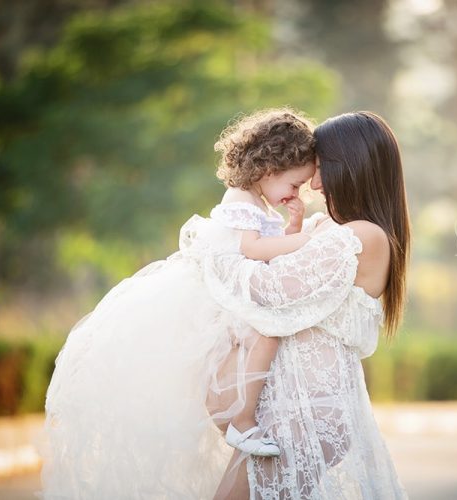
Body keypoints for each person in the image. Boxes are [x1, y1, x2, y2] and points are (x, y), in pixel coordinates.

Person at [37, 108, 323, 499]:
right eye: (295, 184)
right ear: (270, 167)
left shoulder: (263, 205)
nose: (297, 194)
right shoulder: (241, 197)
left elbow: (268, 249)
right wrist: (306, 240)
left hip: (234, 291)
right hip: (218, 295)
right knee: (268, 334)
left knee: (263, 340)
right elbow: (253, 249)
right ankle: (242, 419)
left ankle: (238, 416)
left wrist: (292, 226)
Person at [208, 111, 411, 499]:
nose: (315, 184)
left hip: (305, 413)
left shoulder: (361, 235)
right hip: (291, 409)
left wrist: (212, 252)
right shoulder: (334, 228)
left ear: (351, 168)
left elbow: (269, 288)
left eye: (321, 169)